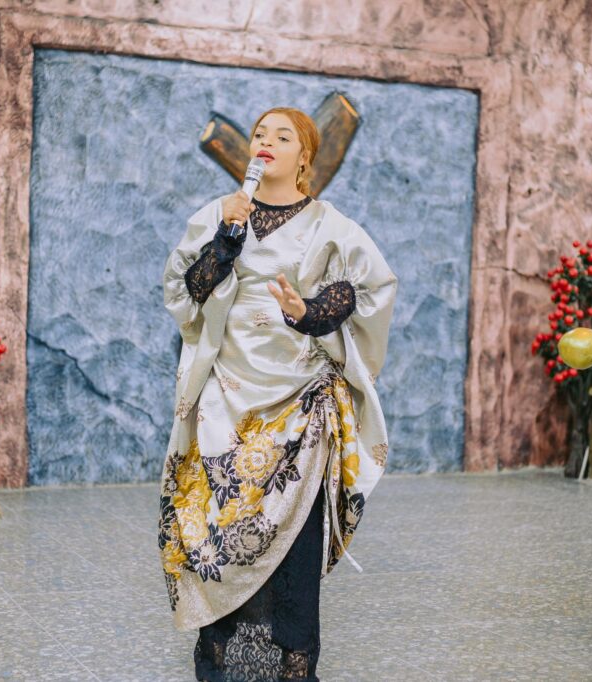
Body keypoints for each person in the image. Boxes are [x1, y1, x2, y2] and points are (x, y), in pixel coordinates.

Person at [159, 106, 397, 681]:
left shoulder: (329, 225)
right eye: (260, 134)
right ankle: (218, 653)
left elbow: (361, 293)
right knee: (214, 521)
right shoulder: (221, 213)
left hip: (298, 397)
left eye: (281, 136)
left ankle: (293, 661)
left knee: (294, 536)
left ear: (304, 157)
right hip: (225, 392)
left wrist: (306, 311)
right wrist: (225, 239)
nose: (265, 142)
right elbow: (188, 292)